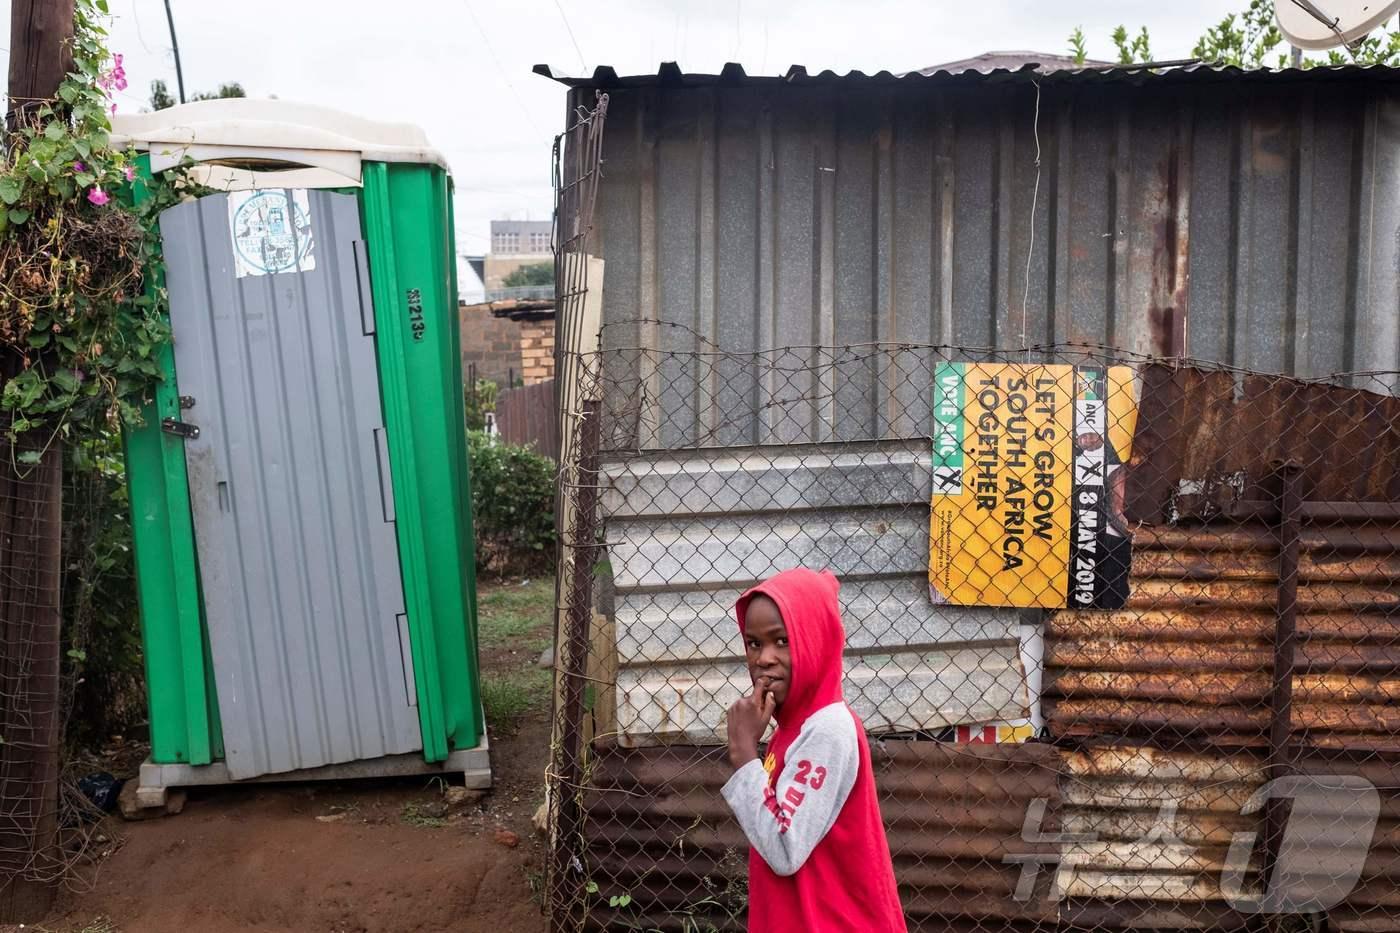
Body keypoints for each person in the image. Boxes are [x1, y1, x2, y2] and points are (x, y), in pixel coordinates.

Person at [721, 568, 907, 932]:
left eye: (783, 641)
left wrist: (745, 757)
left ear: (815, 639)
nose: (764, 658)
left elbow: (784, 847)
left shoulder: (828, 728)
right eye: (754, 643)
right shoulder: (791, 729)